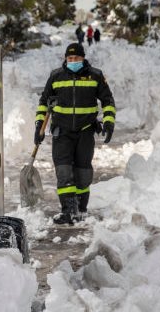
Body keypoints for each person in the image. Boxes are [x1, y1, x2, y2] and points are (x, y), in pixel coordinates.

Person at [34, 42, 116, 224]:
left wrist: (109, 123)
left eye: (76, 58)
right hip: (62, 132)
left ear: (83, 58)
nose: (73, 61)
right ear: (65, 59)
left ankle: (81, 209)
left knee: (83, 173)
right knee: (63, 172)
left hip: (85, 132)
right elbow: (43, 101)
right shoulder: (56, 76)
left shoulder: (95, 76)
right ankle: (68, 211)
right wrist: (38, 124)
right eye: (70, 58)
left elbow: (108, 100)